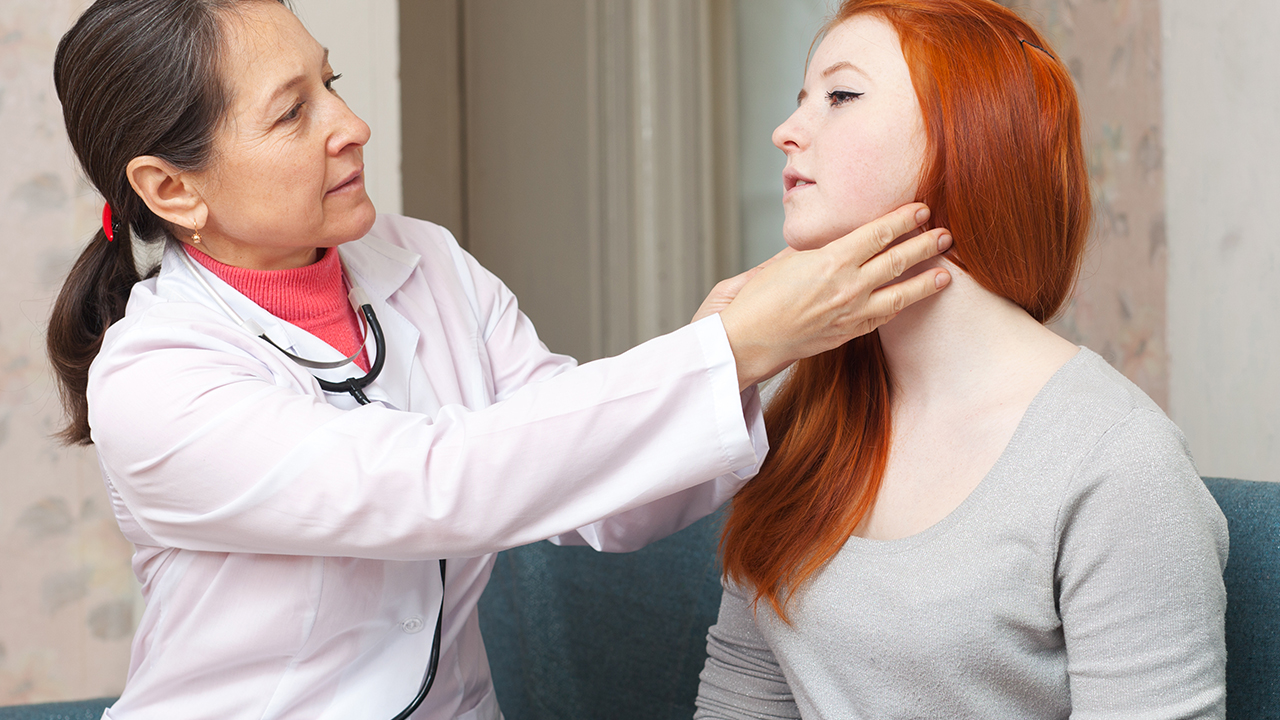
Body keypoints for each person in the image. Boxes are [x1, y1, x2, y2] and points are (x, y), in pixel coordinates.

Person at [46, 0, 955, 718]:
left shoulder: (425, 262)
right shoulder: (154, 381)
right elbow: (434, 484)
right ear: (172, 189)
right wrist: (731, 347)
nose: (352, 124)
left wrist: (743, 359)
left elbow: (597, 493)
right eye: (292, 112)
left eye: (331, 82)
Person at [694, 1, 1228, 718]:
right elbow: (741, 699)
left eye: (841, 95)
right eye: (802, 99)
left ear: (967, 136)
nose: (786, 131)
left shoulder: (1118, 463)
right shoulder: (801, 411)